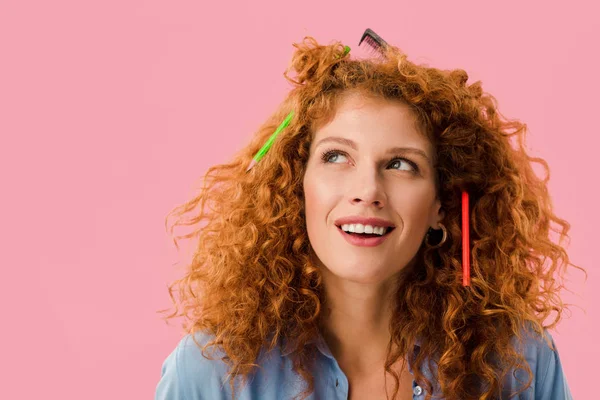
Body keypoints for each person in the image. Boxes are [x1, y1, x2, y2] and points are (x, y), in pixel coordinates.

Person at [155, 36, 582, 400]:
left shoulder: (519, 360)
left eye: (401, 164)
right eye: (336, 156)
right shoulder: (210, 371)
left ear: (441, 206)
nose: (368, 191)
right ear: (296, 187)